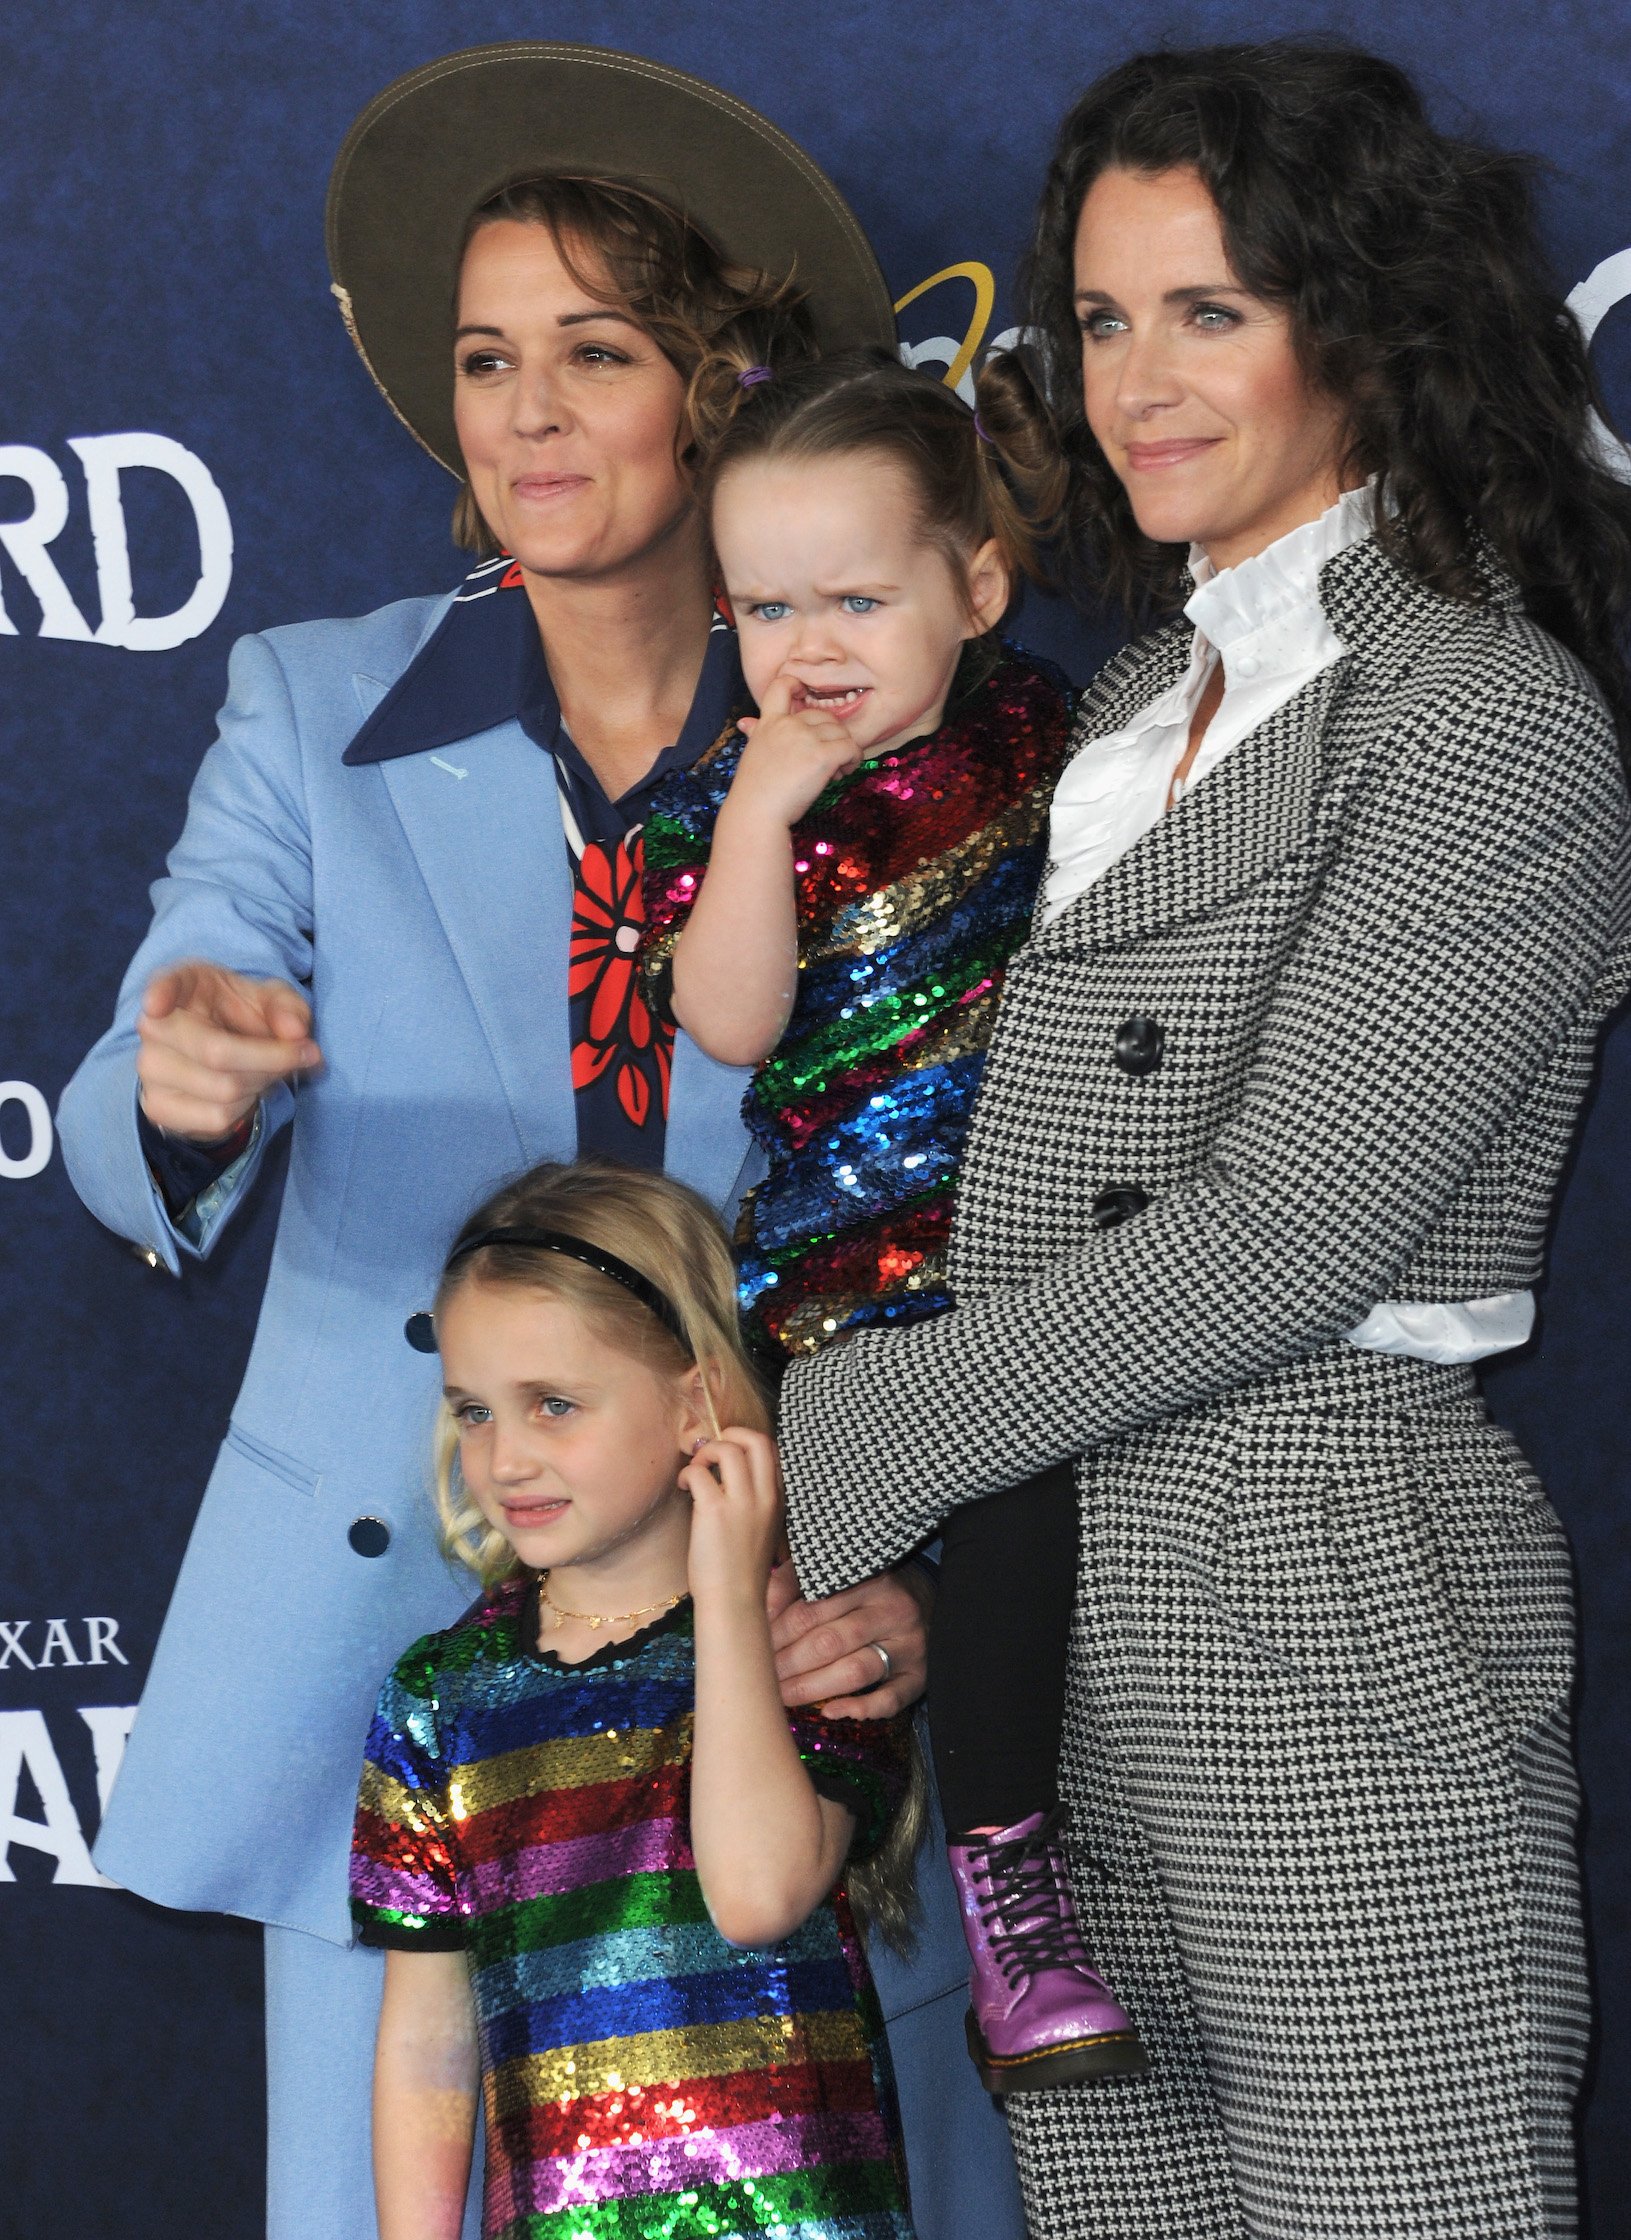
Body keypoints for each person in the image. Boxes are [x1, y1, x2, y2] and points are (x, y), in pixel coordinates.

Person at [54, 46, 1024, 2240]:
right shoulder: (312, 702)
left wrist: (909, 1571)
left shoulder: (903, 741)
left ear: (723, 381)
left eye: (594, 351)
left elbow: (990, 1216)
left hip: (778, 1643)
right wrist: (175, 1078)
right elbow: (138, 1103)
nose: (524, 412)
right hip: (395, 1679)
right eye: (488, 358)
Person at [770, 41, 1631, 2240]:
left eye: (1210, 313)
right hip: (1056, 1610)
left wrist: (853, 1437)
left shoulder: (1486, 716)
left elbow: (1286, 1229)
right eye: (1104, 317)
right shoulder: (1130, 709)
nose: (1137, 382)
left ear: (1357, 327)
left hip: (1317, 1576)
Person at [640, 343, 1146, 2093]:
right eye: (766, 608)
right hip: (848, 1296)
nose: (813, 649)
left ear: (979, 587)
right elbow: (727, 1024)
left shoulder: (1058, 739)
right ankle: (751, 2033)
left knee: (1016, 1542)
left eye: (859, 596)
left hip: (1038, 1266)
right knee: (811, 1654)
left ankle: (1012, 1892)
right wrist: (766, 819)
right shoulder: (743, 801)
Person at [352, 1160, 916, 2240]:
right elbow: (427, 2042)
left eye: (553, 1404)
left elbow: (756, 1892)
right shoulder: (438, 1699)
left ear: (696, 1399)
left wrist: (728, 1601)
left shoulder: (815, 1643)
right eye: (473, 1409)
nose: (504, 1457)